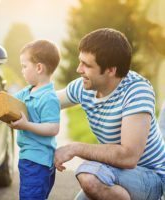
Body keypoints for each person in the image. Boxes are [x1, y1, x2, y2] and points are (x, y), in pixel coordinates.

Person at [54, 28, 165, 200]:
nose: (79, 69)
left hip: (151, 176)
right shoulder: (85, 87)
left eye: (87, 65)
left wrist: (74, 148)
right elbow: (46, 103)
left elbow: (128, 156)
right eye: (80, 62)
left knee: (90, 177)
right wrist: (3, 105)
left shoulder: (136, 91)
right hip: (114, 172)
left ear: (111, 70)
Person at [0, 40, 61, 200]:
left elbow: (53, 128)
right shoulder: (27, 92)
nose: (22, 71)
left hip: (37, 162)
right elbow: (1, 105)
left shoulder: (48, 98)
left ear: (39, 68)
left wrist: (26, 125)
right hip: (30, 160)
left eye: (24, 66)